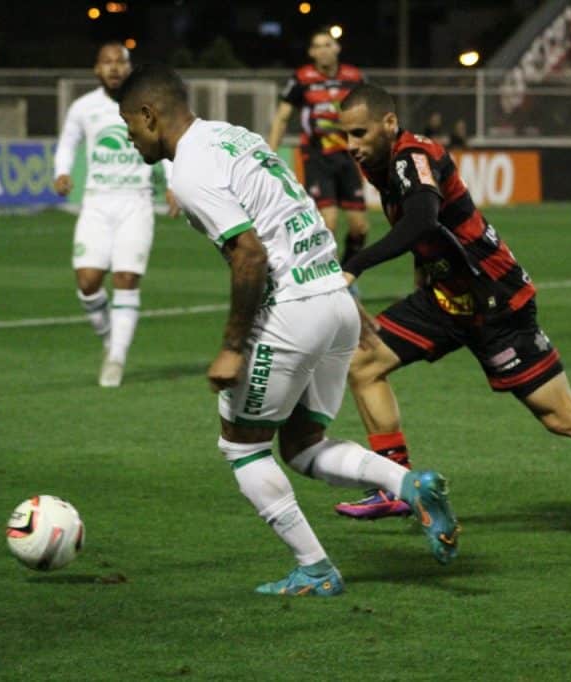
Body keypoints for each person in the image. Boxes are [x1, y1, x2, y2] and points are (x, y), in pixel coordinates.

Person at [332, 83, 571, 548]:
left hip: (495, 298)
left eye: (359, 133)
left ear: (389, 124)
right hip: (447, 297)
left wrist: (353, 267)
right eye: (347, 135)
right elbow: (429, 237)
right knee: (364, 362)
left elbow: (422, 220)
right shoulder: (381, 167)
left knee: (563, 416)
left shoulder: (410, 157)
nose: (352, 145)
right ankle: (395, 483)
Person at [118, 65, 461, 596]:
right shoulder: (237, 136)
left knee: (243, 448)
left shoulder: (189, 169)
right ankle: (406, 484)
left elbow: (250, 254)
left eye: (129, 125)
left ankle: (317, 570)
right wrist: (339, 293)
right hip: (334, 299)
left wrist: (233, 346)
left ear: (149, 114)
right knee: (302, 444)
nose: (129, 136)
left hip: (292, 311)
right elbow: (297, 211)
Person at [53, 42, 179, 387]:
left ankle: (117, 358)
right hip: (95, 202)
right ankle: (112, 339)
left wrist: (172, 183)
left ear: (129, 67)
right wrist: (62, 171)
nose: (113, 68)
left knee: (125, 279)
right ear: (97, 69)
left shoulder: (146, 104)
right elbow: (67, 142)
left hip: (136, 202)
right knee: (88, 282)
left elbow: (165, 142)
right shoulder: (84, 108)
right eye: (106, 62)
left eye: (119, 62)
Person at [267, 29, 369, 268]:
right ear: (311, 52)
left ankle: (347, 273)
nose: (323, 50)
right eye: (318, 46)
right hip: (316, 157)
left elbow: (370, 112)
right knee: (329, 221)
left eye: (328, 44)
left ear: (337, 48)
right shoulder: (302, 78)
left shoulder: (354, 77)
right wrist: (270, 154)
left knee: (359, 226)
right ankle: (327, 277)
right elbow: (282, 117)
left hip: (348, 157)